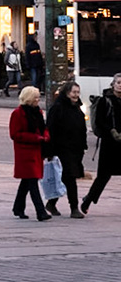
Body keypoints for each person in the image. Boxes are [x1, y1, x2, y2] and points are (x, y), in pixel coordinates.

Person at [45, 81, 88, 219]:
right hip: (62, 148)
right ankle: (74, 207)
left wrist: (83, 146)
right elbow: (50, 129)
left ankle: (51, 203)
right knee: (70, 177)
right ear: (67, 93)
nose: (76, 95)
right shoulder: (58, 108)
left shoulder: (77, 108)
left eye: (77, 92)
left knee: (64, 178)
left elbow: (82, 129)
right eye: (73, 92)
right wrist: (50, 152)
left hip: (76, 149)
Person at [11, 85, 53, 219]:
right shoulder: (18, 113)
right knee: (32, 181)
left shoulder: (38, 112)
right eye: (36, 97)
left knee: (27, 181)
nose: (38, 100)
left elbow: (43, 127)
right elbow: (15, 134)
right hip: (25, 152)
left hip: (36, 150)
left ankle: (18, 208)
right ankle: (40, 211)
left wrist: (45, 135)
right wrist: (36, 138)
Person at [87, 73, 121, 210]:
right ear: (113, 85)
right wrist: (111, 131)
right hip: (109, 143)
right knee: (104, 175)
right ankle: (88, 200)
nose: (120, 85)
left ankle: (89, 199)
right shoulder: (104, 100)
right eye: (118, 82)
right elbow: (100, 121)